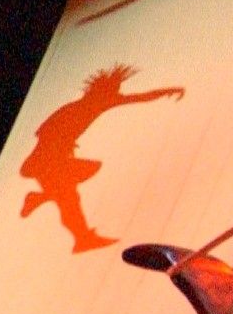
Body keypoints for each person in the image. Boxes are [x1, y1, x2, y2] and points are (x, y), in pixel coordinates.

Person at [17, 66, 183, 255]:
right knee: (70, 199)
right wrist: (63, 149)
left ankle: (68, 225)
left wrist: (168, 91)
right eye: (115, 90)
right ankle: (77, 233)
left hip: (52, 161)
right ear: (104, 91)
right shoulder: (83, 106)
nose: (118, 94)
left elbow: (139, 97)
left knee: (71, 196)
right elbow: (45, 136)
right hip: (44, 162)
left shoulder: (92, 103)